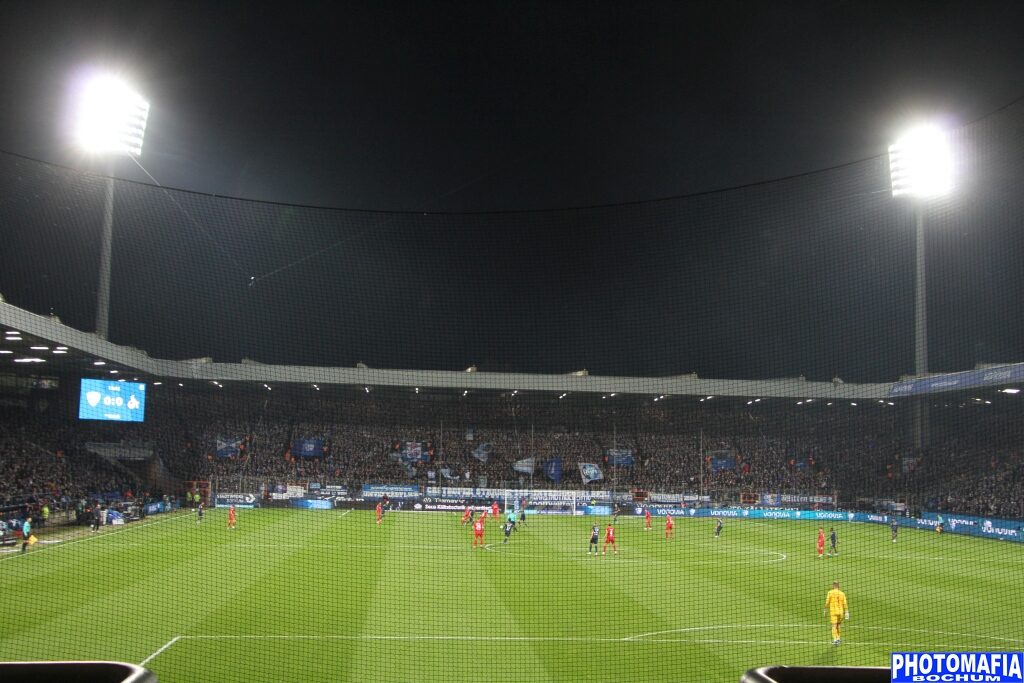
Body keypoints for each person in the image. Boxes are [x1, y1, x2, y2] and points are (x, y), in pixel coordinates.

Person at [824, 581, 850, 645]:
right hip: (840, 612)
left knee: (834, 626)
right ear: (838, 586)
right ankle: (838, 638)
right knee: (838, 625)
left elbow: (827, 602)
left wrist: (825, 609)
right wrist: (846, 612)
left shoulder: (830, 592)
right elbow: (845, 603)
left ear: (833, 586)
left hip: (833, 612)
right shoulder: (842, 593)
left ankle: (835, 640)